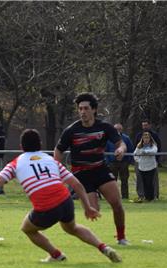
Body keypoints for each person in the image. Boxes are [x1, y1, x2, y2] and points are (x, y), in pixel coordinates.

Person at [0, 129, 121, 263]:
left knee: (27, 229)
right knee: (72, 228)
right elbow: (77, 185)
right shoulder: (50, 159)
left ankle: (56, 255)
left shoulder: (15, 163)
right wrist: (87, 207)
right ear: (40, 145)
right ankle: (103, 247)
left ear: (21, 147)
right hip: (65, 201)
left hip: (46, 207)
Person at [53, 93, 130, 246]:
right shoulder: (71, 130)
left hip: (100, 170)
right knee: (94, 211)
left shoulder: (104, 127)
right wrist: (58, 170)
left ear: (94, 110)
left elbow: (121, 143)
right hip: (81, 175)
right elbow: (58, 150)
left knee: (117, 203)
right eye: (80, 108)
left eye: (86, 108)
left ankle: (121, 237)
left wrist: (121, 150)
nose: (82, 112)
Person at [105, 123, 134, 199]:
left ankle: (125, 197)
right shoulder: (108, 139)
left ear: (122, 130)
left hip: (123, 163)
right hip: (112, 163)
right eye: (116, 129)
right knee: (112, 181)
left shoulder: (126, 138)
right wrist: (108, 162)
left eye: (119, 129)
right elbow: (105, 151)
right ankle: (113, 196)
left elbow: (131, 150)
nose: (117, 131)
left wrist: (128, 162)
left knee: (124, 180)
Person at [134, 120, 161, 200]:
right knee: (141, 181)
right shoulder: (138, 135)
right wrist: (138, 160)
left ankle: (154, 196)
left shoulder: (154, 136)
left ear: (149, 125)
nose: (144, 127)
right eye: (143, 125)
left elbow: (157, 148)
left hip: (152, 164)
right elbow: (136, 151)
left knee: (152, 181)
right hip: (141, 164)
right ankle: (141, 196)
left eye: (146, 125)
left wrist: (156, 159)